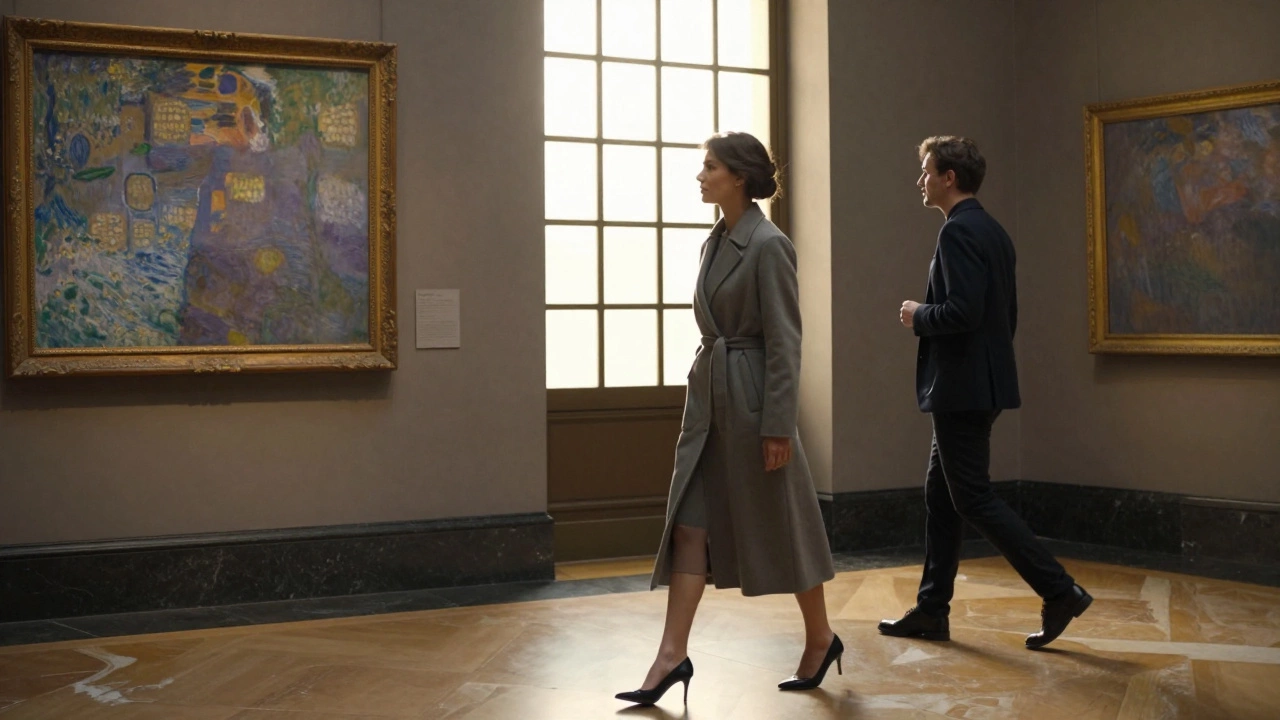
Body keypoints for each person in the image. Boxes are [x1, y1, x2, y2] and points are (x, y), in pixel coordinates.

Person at [615, 132, 840, 707]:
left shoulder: (769, 245)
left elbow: (786, 343)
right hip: (710, 401)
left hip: (752, 405)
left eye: (709, 167)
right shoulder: (715, 241)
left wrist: (777, 426)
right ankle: (671, 656)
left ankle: (821, 637)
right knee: (689, 524)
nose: (700, 176)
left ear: (738, 177)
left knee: (785, 523)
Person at [881, 135, 1091, 650]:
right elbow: (1005, 317)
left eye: (927, 171)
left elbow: (962, 313)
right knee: (943, 494)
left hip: (962, 387)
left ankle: (1059, 590)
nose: (921, 180)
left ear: (949, 177)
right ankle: (932, 609)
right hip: (983, 383)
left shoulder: (958, 233)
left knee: (970, 494)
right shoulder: (993, 231)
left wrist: (917, 316)